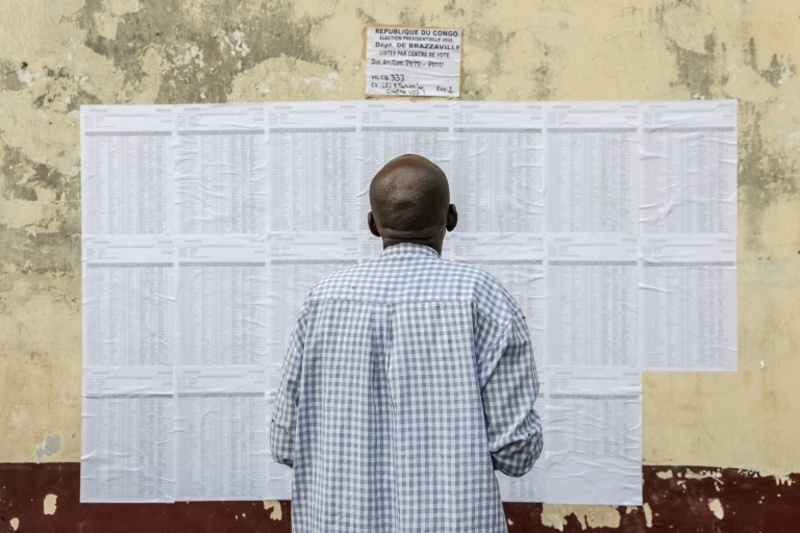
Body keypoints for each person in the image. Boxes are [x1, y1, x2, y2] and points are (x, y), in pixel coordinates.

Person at [270, 154, 543, 532]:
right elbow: (517, 452)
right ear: (451, 217)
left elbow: (285, 442)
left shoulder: (323, 299)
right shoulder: (482, 296)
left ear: (372, 224)